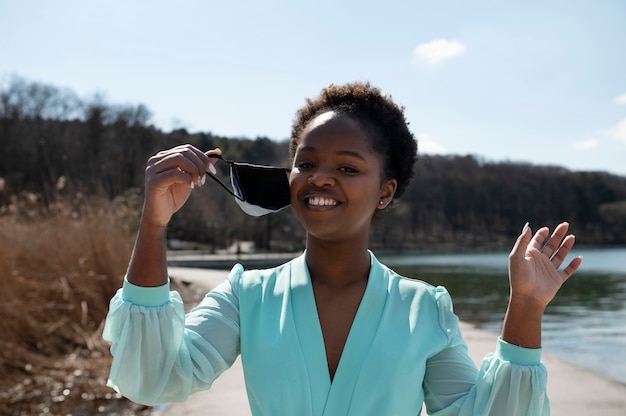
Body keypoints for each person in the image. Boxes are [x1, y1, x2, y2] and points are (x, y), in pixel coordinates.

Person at [103, 82, 582, 415]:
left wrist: (526, 306)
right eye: (305, 162)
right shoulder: (246, 296)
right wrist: (154, 223)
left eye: (348, 168)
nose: (320, 178)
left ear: (386, 191)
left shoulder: (423, 308)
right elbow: (155, 377)